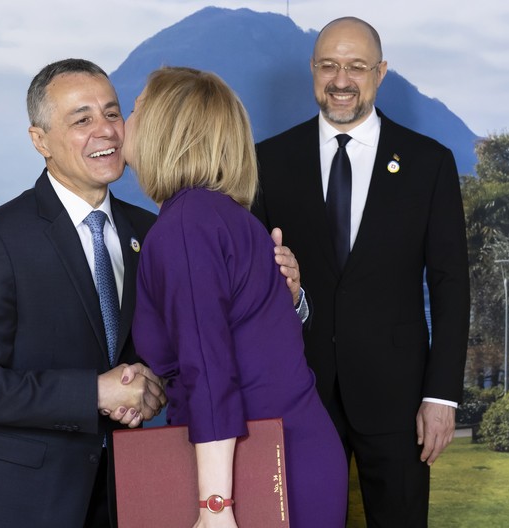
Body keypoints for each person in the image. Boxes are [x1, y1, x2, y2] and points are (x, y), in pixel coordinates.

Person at [0, 58, 168, 528]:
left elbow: (170, 354)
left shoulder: (152, 231)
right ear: (40, 141)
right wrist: (92, 391)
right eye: (83, 119)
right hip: (12, 503)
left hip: (125, 496)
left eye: (112, 114)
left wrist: (153, 389)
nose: (107, 132)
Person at [251, 17, 471, 527]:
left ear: (381, 72)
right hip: (298, 392)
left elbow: (450, 284)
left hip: (399, 402)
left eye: (355, 66)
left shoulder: (428, 163)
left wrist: (440, 396)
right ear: (313, 70)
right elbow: (259, 288)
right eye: (329, 65)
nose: (341, 79)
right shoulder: (268, 161)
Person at [127, 66, 348, 528]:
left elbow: (208, 370)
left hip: (258, 472)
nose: (123, 123)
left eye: (133, 110)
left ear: (165, 128)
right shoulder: (226, 216)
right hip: (287, 455)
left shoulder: (185, 227)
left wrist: (215, 506)